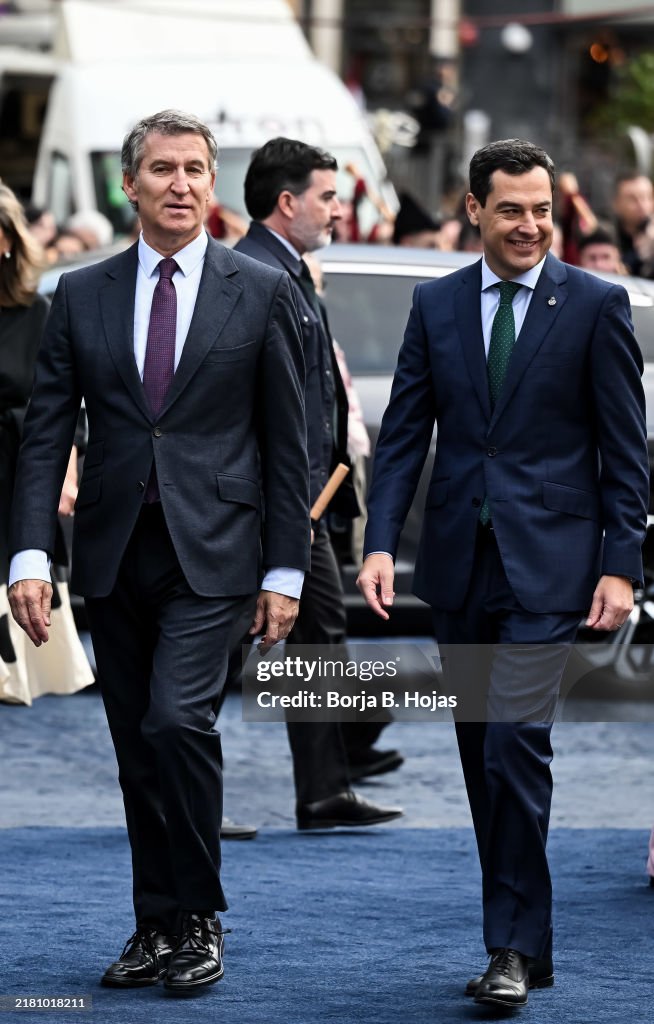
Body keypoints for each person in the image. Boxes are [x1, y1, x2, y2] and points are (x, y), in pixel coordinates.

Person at [7, 110, 311, 995]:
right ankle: (155, 924)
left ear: (212, 187)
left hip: (216, 551)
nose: (180, 183)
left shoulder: (256, 289)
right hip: (110, 552)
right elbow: (44, 437)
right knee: (135, 745)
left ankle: (201, 915)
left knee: (179, 722)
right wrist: (31, 557)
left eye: (195, 169)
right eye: (162, 169)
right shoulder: (81, 294)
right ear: (131, 186)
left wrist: (286, 569)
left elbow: (288, 441)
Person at [357, 139, 649, 1009]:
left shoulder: (596, 303)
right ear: (475, 210)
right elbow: (406, 433)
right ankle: (528, 941)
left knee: (517, 742)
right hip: (458, 566)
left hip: (553, 564)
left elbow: (625, 452)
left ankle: (511, 949)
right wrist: (378, 543)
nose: (529, 225)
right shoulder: (436, 303)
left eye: (542, 210)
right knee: (485, 751)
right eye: (512, 209)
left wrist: (621, 567)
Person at [235, 137, 403, 828]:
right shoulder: (253, 273)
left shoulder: (292, 271)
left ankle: (325, 789)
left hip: (305, 501)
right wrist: (288, 507)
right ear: (287, 201)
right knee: (219, 647)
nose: (338, 210)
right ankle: (182, 799)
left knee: (319, 636)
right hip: (276, 504)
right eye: (328, 197)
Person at [0, 183, 93, 705]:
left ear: (9, 240)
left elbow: (60, 405)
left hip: (12, 477)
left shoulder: (36, 313)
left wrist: (67, 471)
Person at [612, 171, 654, 278]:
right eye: (632, 199)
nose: (642, 205)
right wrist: (638, 254)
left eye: (647, 197)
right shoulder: (609, 236)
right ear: (616, 203)